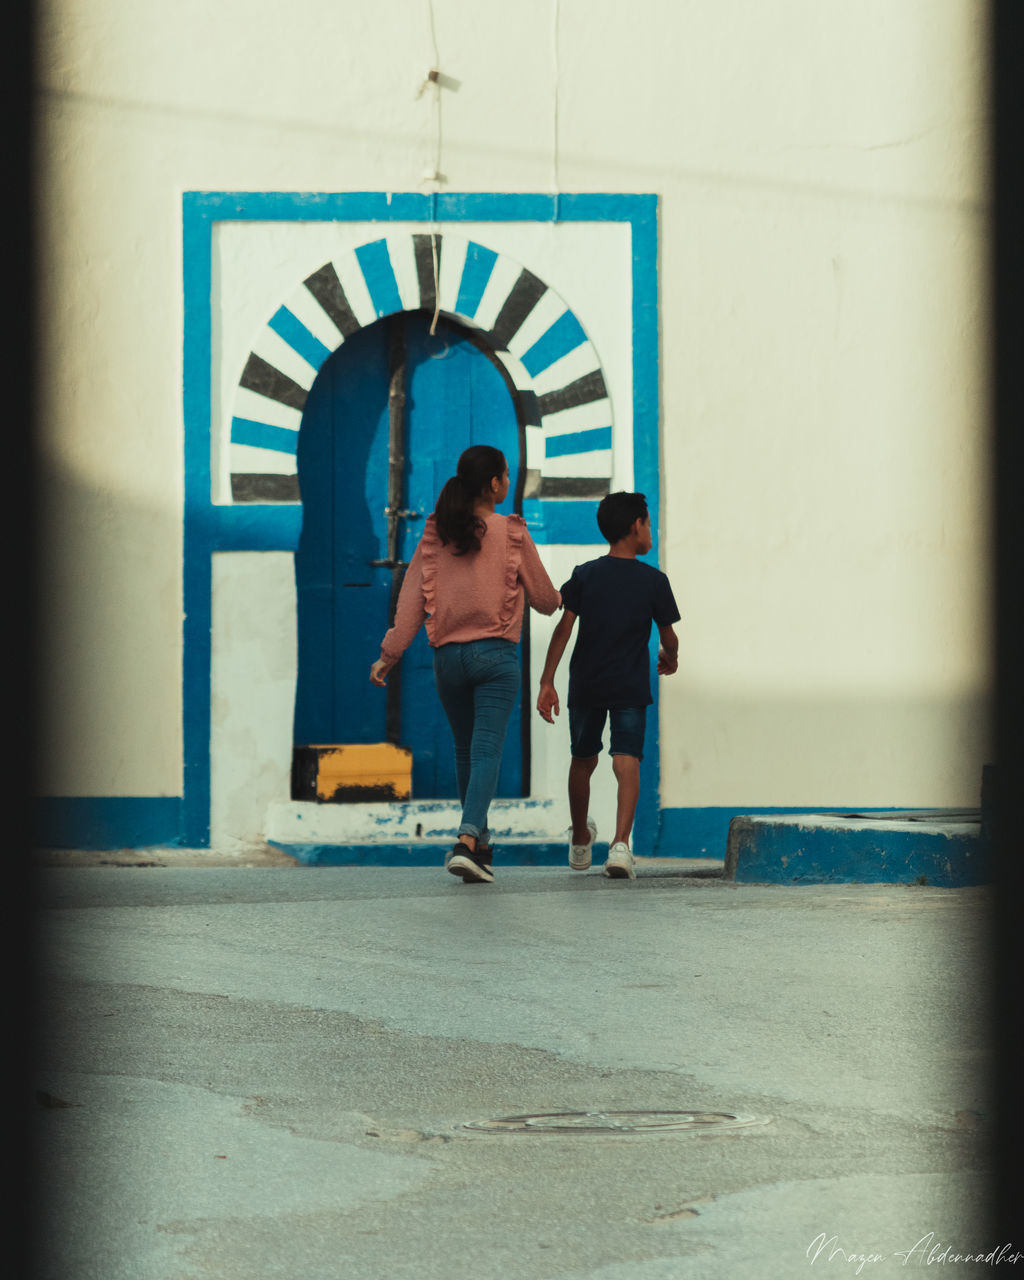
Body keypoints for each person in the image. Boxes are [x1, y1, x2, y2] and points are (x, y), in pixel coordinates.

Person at [369, 445, 561, 884]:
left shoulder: (437, 533)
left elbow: (411, 601)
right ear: (494, 484)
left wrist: (389, 655)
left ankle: (481, 847)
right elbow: (547, 601)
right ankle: (467, 839)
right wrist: (565, 598)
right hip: (495, 658)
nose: (509, 483)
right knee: (487, 749)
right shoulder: (510, 531)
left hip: (447, 662)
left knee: (465, 751)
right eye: (506, 476)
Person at [536, 491, 680, 879]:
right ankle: (620, 845)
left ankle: (581, 836)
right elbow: (669, 637)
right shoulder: (654, 581)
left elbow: (563, 631)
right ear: (636, 527)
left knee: (583, 759)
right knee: (625, 760)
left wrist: (547, 681)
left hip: (586, 684)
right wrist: (671, 657)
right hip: (630, 686)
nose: (651, 530)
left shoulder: (585, 574)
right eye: (648, 523)